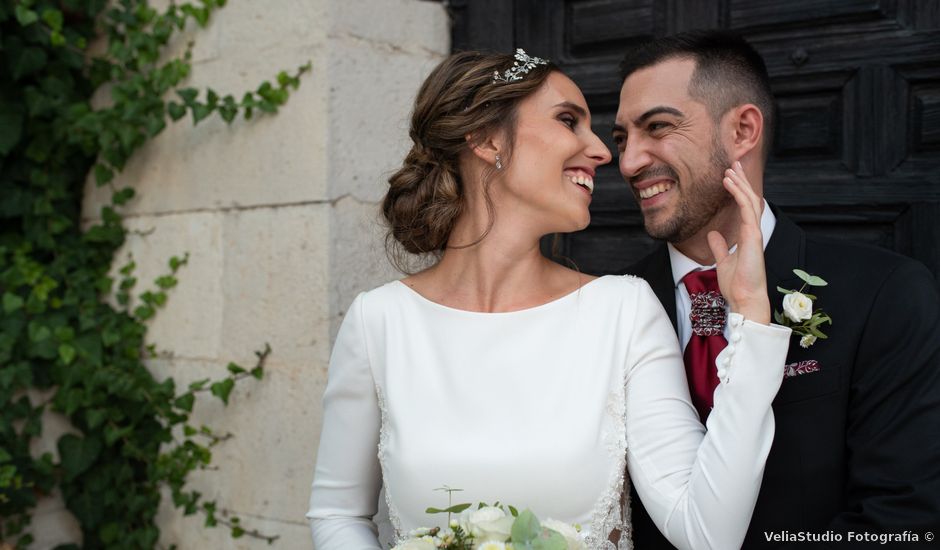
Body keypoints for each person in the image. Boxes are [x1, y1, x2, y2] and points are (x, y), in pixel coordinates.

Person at [307, 49, 792, 550]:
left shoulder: (624, 312)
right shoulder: (379, 322)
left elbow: (706, 534)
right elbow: (337, 513)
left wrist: (753, 324)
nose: (605, 153)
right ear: (487, 139)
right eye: (568, 121)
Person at [615, 31, 940, 549]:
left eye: (658, 127)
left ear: (743, 130)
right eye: (622, 139)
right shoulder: (613, 305)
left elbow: (903, 521)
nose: (630, 162)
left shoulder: (885, 293)